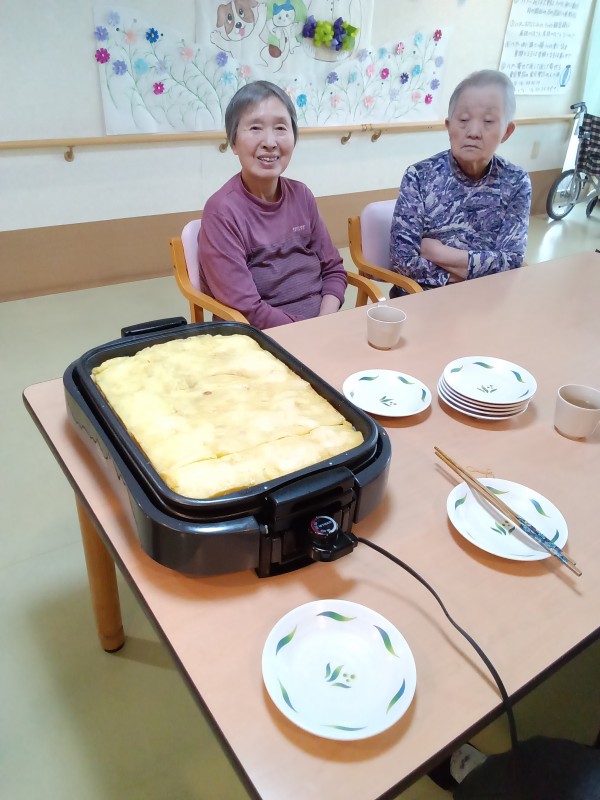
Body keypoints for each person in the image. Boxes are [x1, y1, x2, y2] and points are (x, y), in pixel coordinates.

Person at [198, 80, 347, 329]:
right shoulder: (221, 212)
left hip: (322, 328)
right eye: (255, 128)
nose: (270, 141)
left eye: (280, 128)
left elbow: (333, 270)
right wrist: (308, 332)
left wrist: (325, 322)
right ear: (233, 142)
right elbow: (246, 309)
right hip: (263, 339)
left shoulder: (302, 195)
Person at [389, 70, 532, 296]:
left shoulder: (516, 182)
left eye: (488, 121)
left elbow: (512, 261)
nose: (473, 132)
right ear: (449, 126)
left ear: (507, 131)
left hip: (487, 298)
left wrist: (438, 253)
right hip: (423, 299)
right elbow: (403, 261)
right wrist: (475, 271)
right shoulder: (419, 176)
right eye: (464, 120)